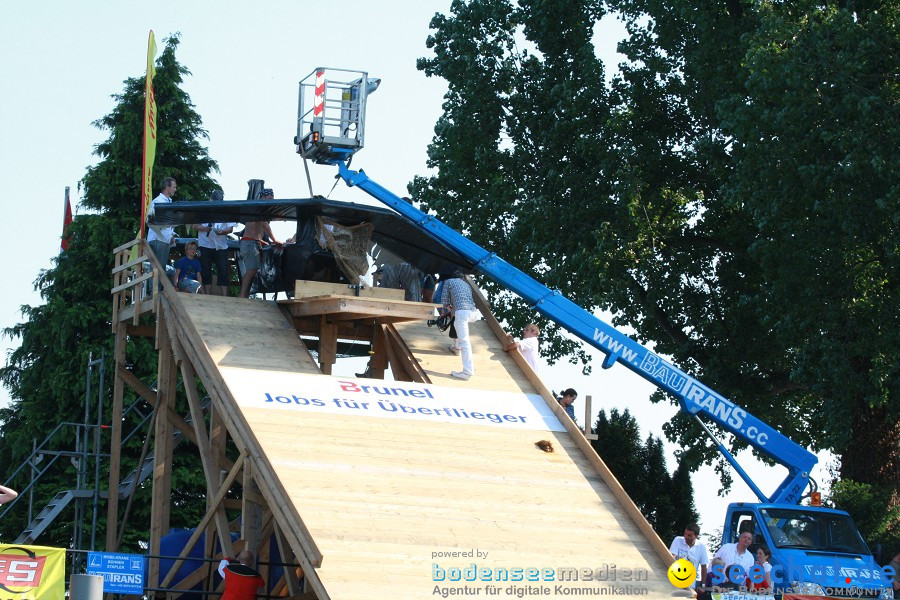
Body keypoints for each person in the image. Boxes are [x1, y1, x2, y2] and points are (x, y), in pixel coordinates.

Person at [195, 190, 235, 296]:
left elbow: (230, 229)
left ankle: (224, 295)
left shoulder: (226, 211)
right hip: (205, 244)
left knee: (223, 270)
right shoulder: (203, 210)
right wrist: (206, 229)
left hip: (221, 245)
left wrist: (222, 232)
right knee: (205, 270)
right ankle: (207, 294)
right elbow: (195, 226)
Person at [441, 270, 479, 380]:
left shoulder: (449, 281)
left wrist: (446, 309)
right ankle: (456, 347)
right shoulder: (466, 284)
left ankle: (467, 372)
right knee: (457, 324)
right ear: (462, 278)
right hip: (473, 313)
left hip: (462, 313)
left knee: (465, 341)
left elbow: (444, 300)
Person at [238, 210, 280, 299]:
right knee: (251, 271)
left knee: (252, 271)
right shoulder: (260, 210)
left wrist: (262, 241)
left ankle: (245, 295)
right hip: (250, 243)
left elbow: (255, 231)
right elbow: (265, 225)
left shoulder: (258, 210)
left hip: (251, 242)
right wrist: (275, 240)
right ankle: (242, 296)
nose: (271, 198)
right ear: (263, 197)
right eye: (269, 196)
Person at [147, 177, 178, 267]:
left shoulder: (168, 202)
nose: (175, 190)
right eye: (174, 187)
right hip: (157, 239)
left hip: (164, 240)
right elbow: (151, 221)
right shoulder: (157, 201)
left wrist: (171, 235)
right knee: (157, 270)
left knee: (161, 270)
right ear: (167, 187)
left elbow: (167, 223)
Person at [669, 523, 709, 591]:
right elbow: (672, 557)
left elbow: (704, 567)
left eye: (689, 535)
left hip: (690, 585)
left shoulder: (701, 546)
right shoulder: (678, 540)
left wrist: (703, 585)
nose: (686, 537)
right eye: (685, 534)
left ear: (696, 536)